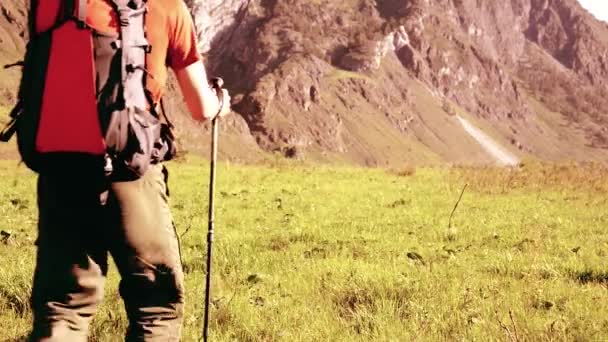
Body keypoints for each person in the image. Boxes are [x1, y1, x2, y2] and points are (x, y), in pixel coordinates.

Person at [28, 0, 231, 340]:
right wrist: (220, 103)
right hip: (130, 173)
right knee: (156, 305)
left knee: (63, 307)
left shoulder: (49, 3)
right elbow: (200, 107)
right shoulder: (166, 7)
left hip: (61, 171)